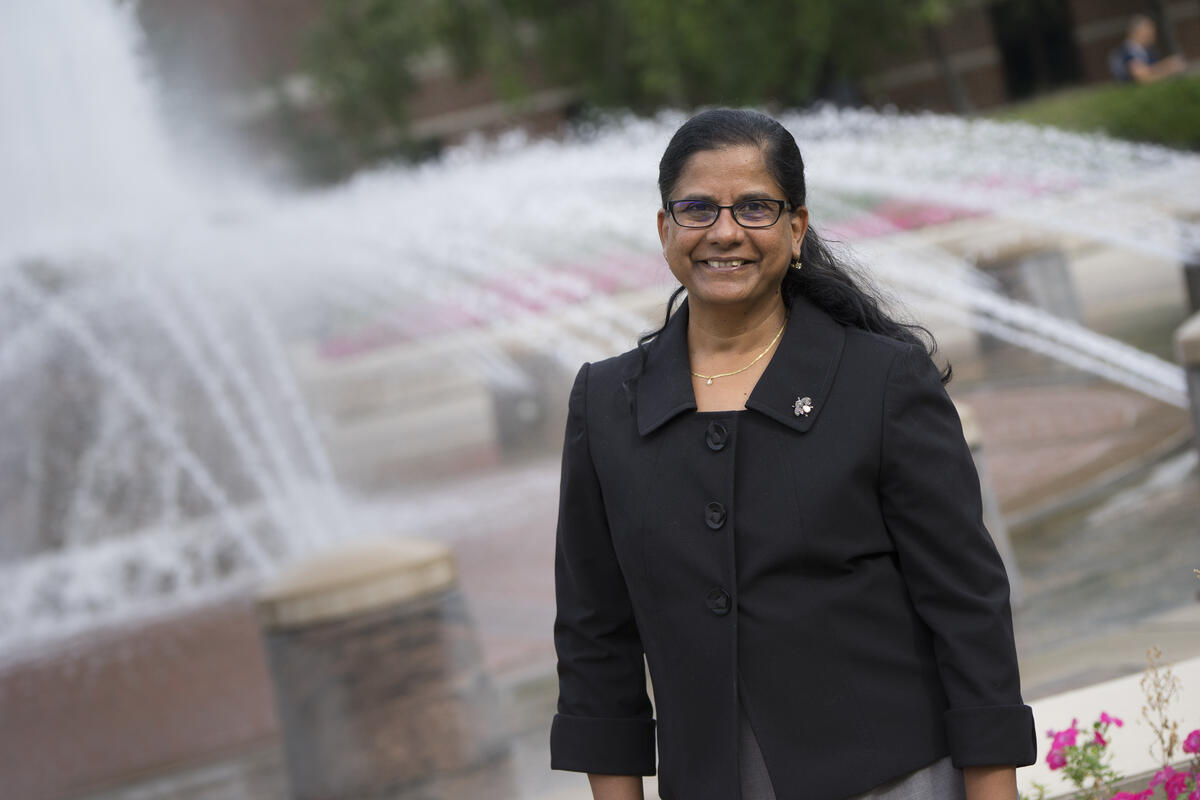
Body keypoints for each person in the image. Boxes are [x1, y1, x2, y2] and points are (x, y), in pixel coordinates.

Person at [549, 108, 1036, 800]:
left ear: (795, 228)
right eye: (697, 209)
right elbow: (595, 636)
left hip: (894, 777)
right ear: (664, 230)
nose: (724, 231)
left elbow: (967, 607)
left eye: (754, 207)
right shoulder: (604, 404)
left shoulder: (882, 381)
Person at [1110, 14, 1185, 83]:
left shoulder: (1148, 51)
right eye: (1149, 31)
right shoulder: (1126, 53)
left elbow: (1149, 71)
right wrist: (1168, 69)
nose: (1153, 34)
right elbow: (1143, 78)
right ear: (1138, 32)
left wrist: (1167, 64)